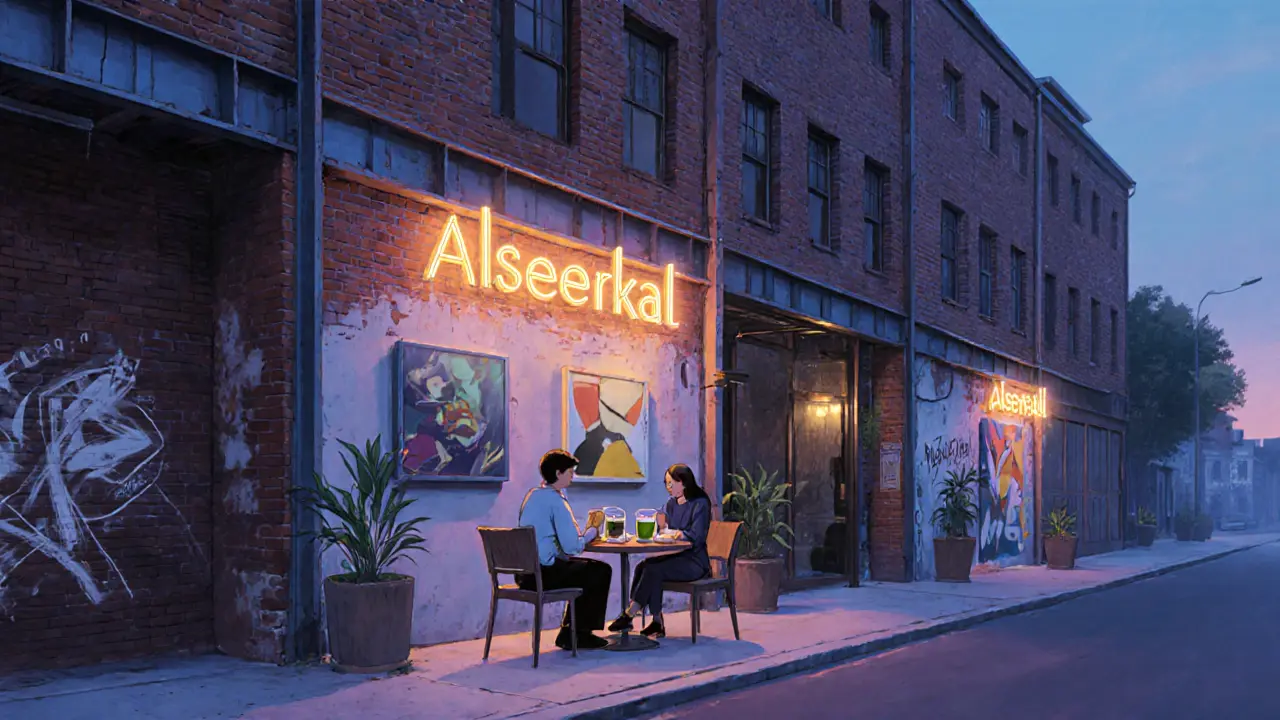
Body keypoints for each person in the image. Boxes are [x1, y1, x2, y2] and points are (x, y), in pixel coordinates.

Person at [517, 449, 612, 650]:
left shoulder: (532, 496)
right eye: (570, 472)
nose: (572, 476)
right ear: (559, 473)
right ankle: (579, 634)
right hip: (543, 575)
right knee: (600, 571)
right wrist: (592, 530)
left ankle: (571, 632)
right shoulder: (556, 501)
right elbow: (572, 547)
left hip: (525, 574)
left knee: (587, 569)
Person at [607, 464, 712, 638]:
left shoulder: (700, 503)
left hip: (695, 562)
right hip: (676, 557)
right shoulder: (671, 503)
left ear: (683, 482)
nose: (668, 487)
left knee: (654, 570)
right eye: (666, 483)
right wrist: (659, 524)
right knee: (644, 566)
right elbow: (662, 526)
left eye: (671, 483)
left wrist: (675, 533)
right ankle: (656, 622)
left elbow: (697, 536)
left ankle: (630, 613)